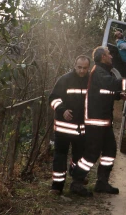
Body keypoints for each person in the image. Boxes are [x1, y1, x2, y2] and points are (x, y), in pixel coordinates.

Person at [70, 46, 126, 196]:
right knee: (91, 154)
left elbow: (103, 92)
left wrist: (118, 96)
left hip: (104, 121)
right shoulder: (98, 72)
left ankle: (102, 183)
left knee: (109, 151)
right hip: (95, 122)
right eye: (109, 54)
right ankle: (76, 183)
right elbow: (112, 84)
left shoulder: (103, 72)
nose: (112, 56)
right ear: (102, 57)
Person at [49, 55, 90, 195]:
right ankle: (57, 186)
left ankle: (76, 179)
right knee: (60, 156)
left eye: (85, 68)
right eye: (79, 67)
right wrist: (62, 110)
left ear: (88, 68)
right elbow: (53, 99)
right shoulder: (64, 80)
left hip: (82, 129)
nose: (82, 71)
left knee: (79, 157)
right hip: (63, 128)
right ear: (74, 65)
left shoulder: (91, 81)